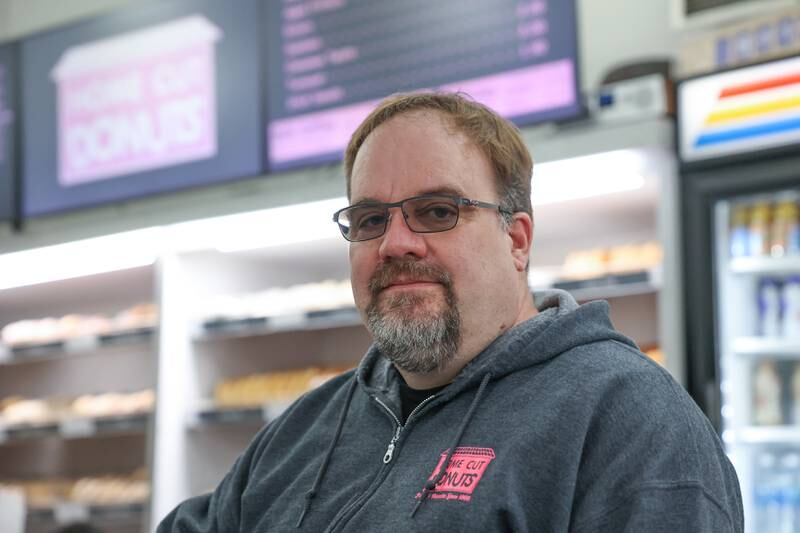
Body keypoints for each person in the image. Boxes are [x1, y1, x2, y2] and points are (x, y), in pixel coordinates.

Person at [158, 92, 743, 532]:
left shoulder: (628, 420)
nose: (395, 244)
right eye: (369, 220)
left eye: (437, 212)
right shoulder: (308, 427)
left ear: (517, 240)